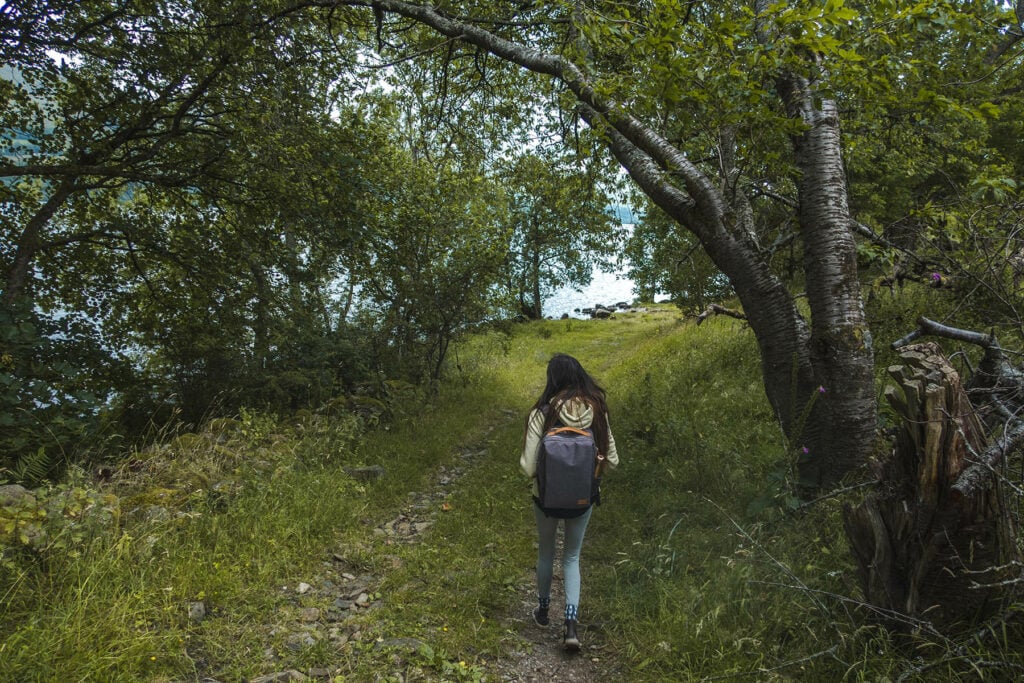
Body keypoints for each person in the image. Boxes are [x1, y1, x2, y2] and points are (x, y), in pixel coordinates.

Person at [520, 353, 619, 651]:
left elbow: (527, 468)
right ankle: (571, 624)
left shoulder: (542, 412)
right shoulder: (597, 409)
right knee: (572, 557)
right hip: (583, 498)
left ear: (552, 379)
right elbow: (613, 459)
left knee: (547, 552)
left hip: (545, 499)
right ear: (580, 376)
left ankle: (543, 611)